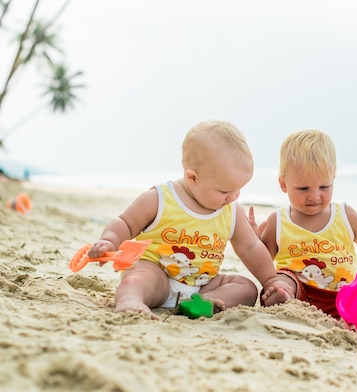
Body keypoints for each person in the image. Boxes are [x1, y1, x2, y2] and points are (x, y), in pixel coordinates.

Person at [87, 120, 286, 319]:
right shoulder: (160, 198)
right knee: (138, 278)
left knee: (246, 288)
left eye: (238, 189)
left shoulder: (231, 211)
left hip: (203, 284)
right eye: (225, 191)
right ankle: (130, 300)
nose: (234, 197)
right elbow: (126, 223)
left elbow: (250, 247)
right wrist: (110, 240)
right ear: (192, 178)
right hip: (158, 276)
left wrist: (270, 281)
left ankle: (202, 303)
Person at [248, 129, 357, 319]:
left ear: (333, 178)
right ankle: (281, 297)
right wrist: (254, 240)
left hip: (340, 295)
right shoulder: (279, 220)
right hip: (298, 292)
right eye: (303, 188)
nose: (314, 196)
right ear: (283, 184)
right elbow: (263, 260)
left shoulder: (344, 214)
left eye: (324, 187)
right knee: (281, 278)